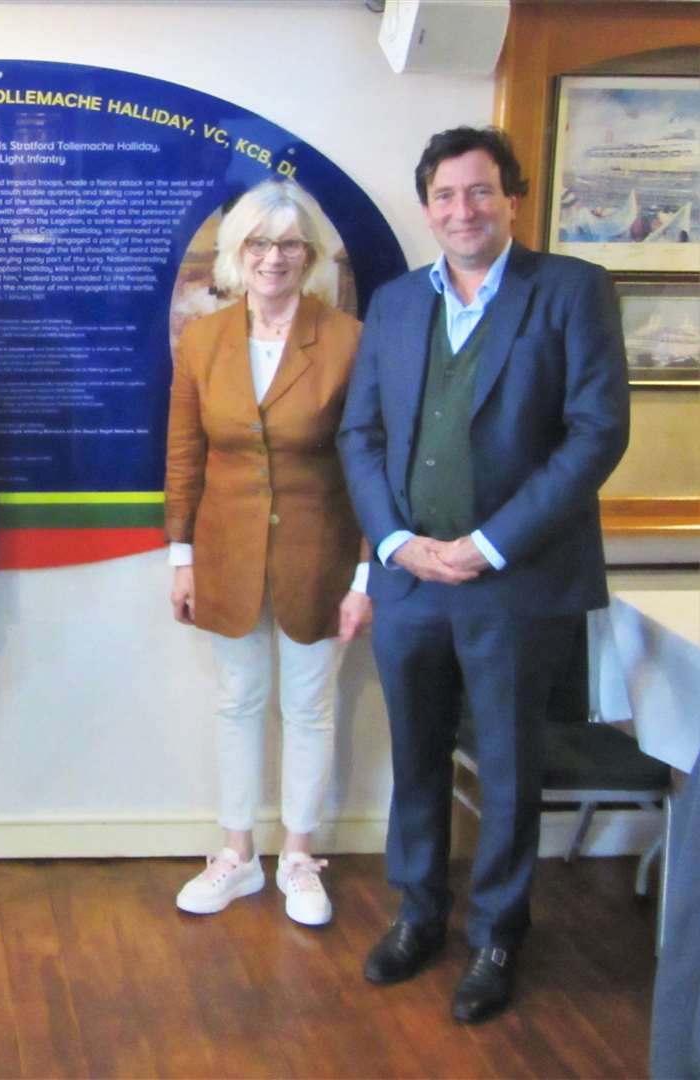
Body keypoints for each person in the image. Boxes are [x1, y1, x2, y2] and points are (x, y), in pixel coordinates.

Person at [338, 126, 629, 1023]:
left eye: (479, 192)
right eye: (445, 197)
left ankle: (500, 931)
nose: (461, 211)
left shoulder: (571, 292)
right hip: (411, 578)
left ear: (513, 199)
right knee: (417, 758)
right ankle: (420, 912)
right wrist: (393, 544)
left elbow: (595, 433)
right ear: (427, 208)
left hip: (515, 579)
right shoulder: (392, 303)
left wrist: (489, 544)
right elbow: (363, 435)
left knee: (508, 765)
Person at [164, 179, 370, 928]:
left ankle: (300, 857)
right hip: (224, 553)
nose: (273, 259)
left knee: (311, 708)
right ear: (236, 253)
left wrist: (364, 575)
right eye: (258, 243)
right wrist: (180, 557)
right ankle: (236, 856)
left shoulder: (346, 340)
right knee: (237, 702)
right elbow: (184, 455)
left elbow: (370, 463)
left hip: (322, 554)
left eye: (288, 245)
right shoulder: (204, 340)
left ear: (309, 256)